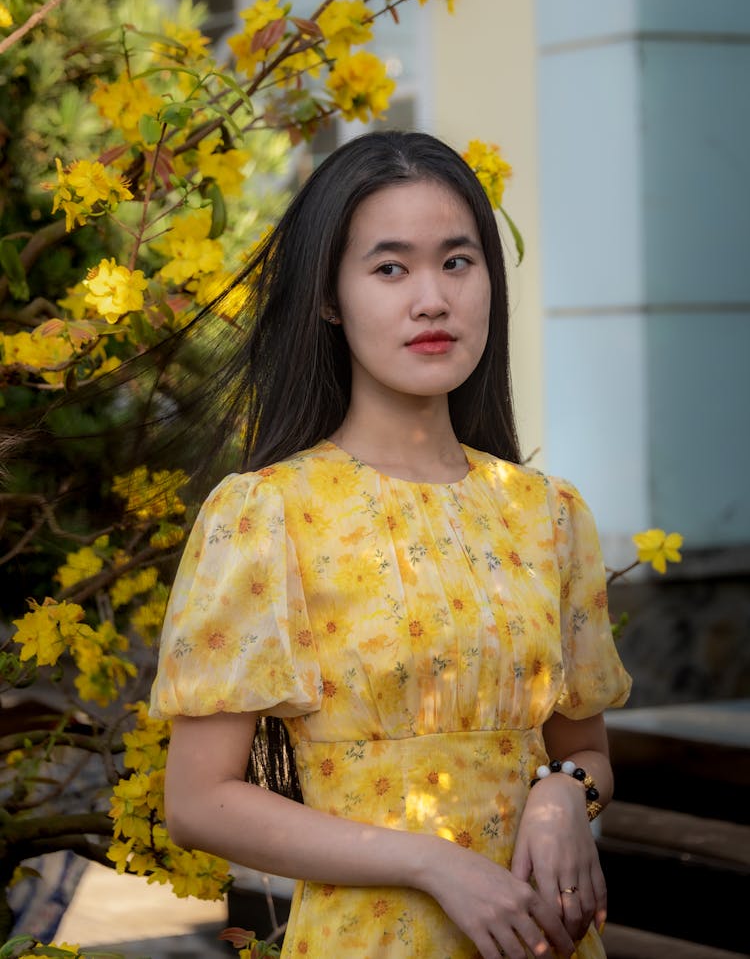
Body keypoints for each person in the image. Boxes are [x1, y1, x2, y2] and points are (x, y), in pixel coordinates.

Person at [149, 130, 632, 959]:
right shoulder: (266, 513)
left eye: (457, 261)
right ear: (330, 297)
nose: (432, 299)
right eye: (389, 267)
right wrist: (434, 864)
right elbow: (198, 800)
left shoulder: (546, 513)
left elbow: (583, 748)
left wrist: (563, 794)